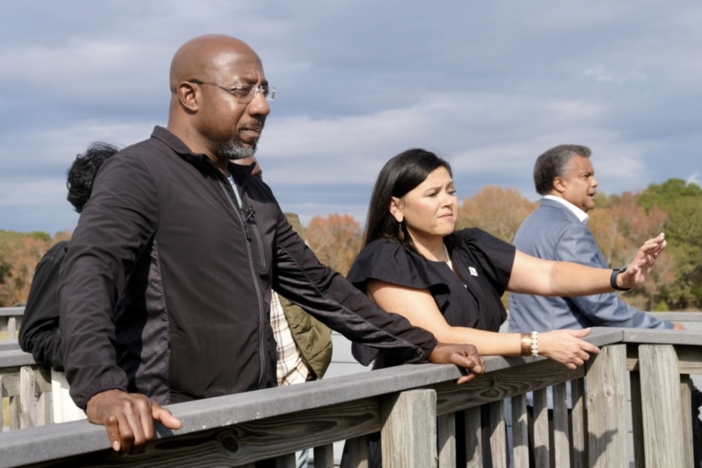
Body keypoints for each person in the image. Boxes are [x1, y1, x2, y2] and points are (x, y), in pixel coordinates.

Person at [57, 35, 484, 456]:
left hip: (252, 427)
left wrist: (422, 344)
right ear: (189, 95)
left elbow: (321, 288)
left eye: (264, 90)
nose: (261, 106)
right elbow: (90, 273)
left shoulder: (254, 193)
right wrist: (102, 389)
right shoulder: (138, 172)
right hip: (174, 433)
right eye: (242, 90)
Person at [340, 148, 665, 467]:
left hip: (470, 415)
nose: (447, 201)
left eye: (451, 191)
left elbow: (548, 274)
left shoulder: (470, 246)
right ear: (396, 206)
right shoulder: (387, 258)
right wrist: (537, 343)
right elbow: (439, 335)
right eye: (432, 194)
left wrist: (620, 277)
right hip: (406, 422)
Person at [508, 144, 683, 333]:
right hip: (564, 355)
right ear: (560, 184)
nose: (595, 182)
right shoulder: (570, 231)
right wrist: (666, 329)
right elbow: (600, 305)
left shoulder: (528, 225)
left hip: (529, 351)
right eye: (586, 176)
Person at [233, 156, 331, 468]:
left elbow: (321, 290)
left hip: (296, 382)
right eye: (243, 177)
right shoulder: (208, 236)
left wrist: (312, 363)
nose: (255, 185)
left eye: (258, 175)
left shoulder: (285, 223)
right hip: (243, 401)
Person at [19, 142, 119, 423]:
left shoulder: (139, 257)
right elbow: (33, 334)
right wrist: (91, 354)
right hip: (84, 402)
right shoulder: (62, 257)